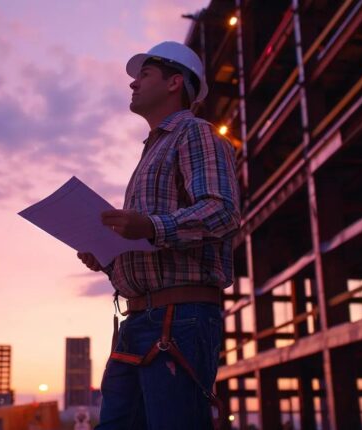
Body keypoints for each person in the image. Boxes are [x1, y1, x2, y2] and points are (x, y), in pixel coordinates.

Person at [77, 41, 241, 429]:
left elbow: (223, 210)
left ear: (174, 83)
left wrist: (150, 226)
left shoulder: (195, 134)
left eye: (144, 75)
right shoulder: (151, 152)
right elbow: (155, 243)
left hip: (178, 318)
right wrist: (110, 257)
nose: (133, 84)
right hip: (139, 321)